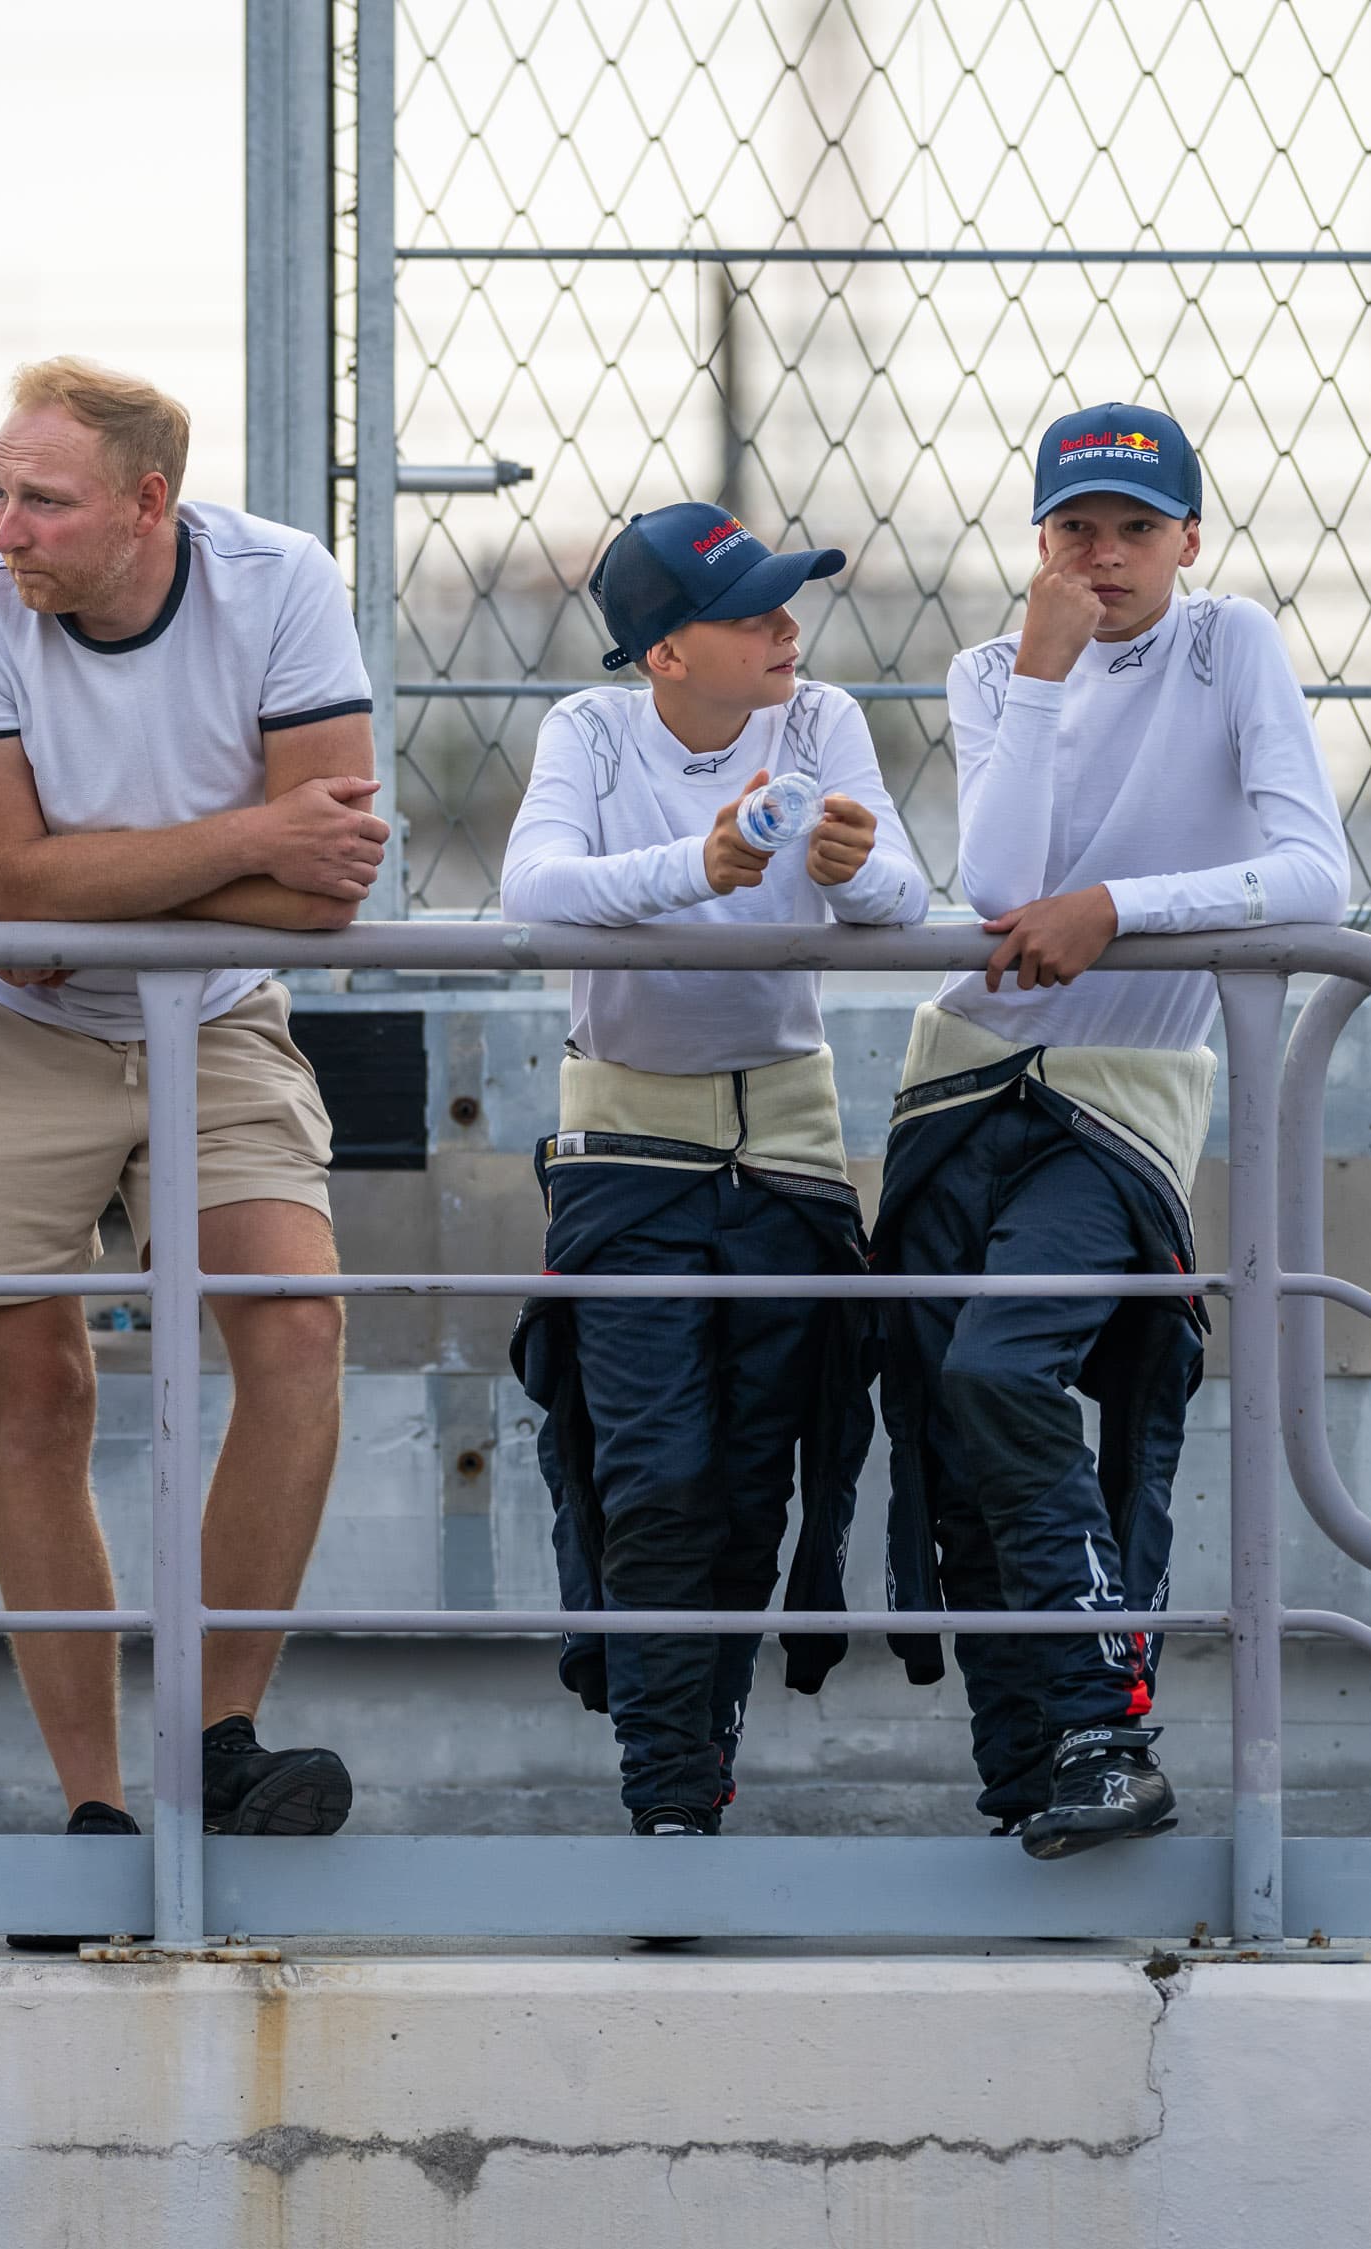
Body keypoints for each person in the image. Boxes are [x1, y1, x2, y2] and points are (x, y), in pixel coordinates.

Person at [0, 356, 379, 1880]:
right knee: (38, 1400)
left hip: (219, 1013)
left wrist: (105, 884)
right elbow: (18, 887)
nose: (6, 530)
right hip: (5, 1017)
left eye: (42, 500)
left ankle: (220, 1740)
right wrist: (248, 839)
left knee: (295, 1325)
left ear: (148, 507)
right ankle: (97, 1804)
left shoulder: (280, 583)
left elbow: (334, 890)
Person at [879, 401, 1348, 1856]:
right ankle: (1032, 1765)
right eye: (1077, 526)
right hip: (961, 1082)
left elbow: (1314, 876)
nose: (1105, 555)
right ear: (1038, 541)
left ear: (1189, 540)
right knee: (951, 1420)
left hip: (1117, 1106)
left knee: (1012, 1367)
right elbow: (1000, 879)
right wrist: (1037, 673)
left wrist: (1119, 914)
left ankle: (1102, 1726)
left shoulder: (1230, 646)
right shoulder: (992, 668)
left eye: (1137, 527)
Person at [500, 502, 935, 1836]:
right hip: (626, 1146)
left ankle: (696, 1757)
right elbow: (533, 889)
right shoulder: (588, 728)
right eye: (750, 610)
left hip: (788, 1145)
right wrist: (704, 862)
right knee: (651, 1470)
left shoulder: (822, 719)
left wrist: (855, 876)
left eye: (785, 600)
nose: (785, 625)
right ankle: (664, 1795)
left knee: (757, 1470)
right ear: (665, 654)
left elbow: (906, 903)